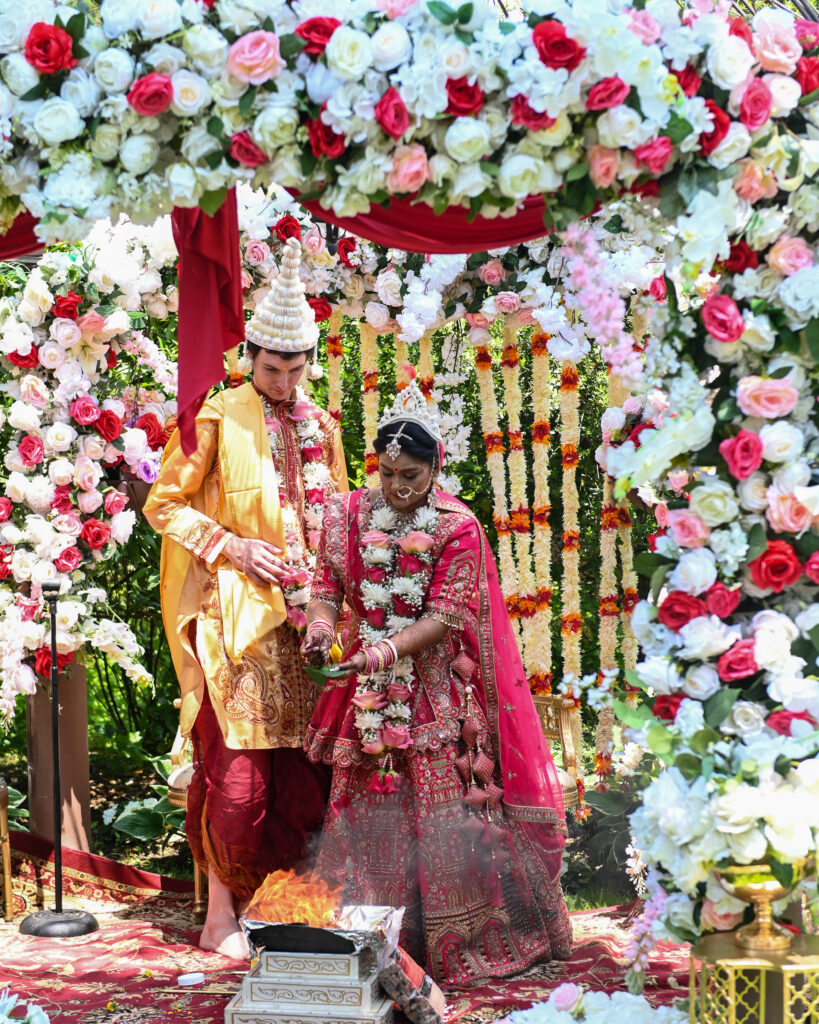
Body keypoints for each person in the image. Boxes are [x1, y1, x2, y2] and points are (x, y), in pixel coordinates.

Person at [302, 378, 571, 986]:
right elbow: (327, 587)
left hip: (433, 694)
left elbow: (444, 616)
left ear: (435, 469)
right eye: (387, 473)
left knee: (442, 815)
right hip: (365, 697)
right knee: (365, 806)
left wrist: (376, 655)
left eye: (411, 477)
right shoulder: (346, 512)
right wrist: (320, 630)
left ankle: (455, 943)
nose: (396, 489)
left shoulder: (457, 525)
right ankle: (364, 938)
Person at [144, 238, 346, 959]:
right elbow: (164, 504)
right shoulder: (216, 415)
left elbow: (337, 518)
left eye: (295, 369)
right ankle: (219, 915)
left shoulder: (323, 426)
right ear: (247, 359)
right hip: (236, 618)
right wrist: (231, 545)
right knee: (237, 778)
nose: (283, 381)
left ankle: (291, 909)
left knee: (306, 774)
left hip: (310, 623)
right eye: (270, 368)